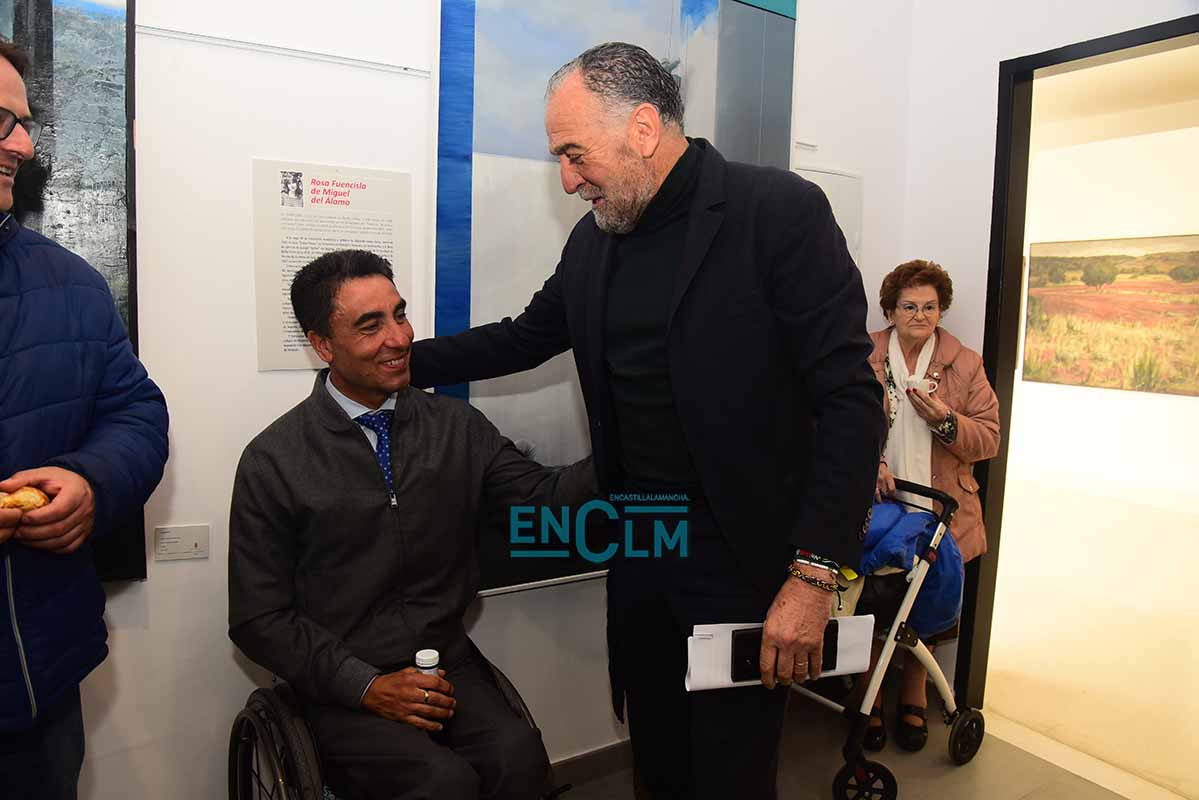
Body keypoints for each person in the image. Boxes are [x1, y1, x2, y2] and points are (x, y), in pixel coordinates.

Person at [410, 43, 886, 798]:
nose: (567, 180)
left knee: (730, 772)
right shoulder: (594, 241)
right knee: (658, 756)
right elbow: (524, 337)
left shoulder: (776, 213)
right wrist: (398, 362)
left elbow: (851, 401)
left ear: (640, 128)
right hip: (641, 543)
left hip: (741, 560)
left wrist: (813, 575)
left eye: (574, 154)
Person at [228, 249, 596, 800]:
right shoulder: (274, 460)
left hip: (445, 662)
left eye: (399, 315)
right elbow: (259, 619)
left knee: (519, 759)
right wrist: (366, 685)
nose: (399, 338)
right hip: (340, 679)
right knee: (440, 784)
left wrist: (622, 446)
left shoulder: (456, 427)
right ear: (323, 345)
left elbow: (544, 498)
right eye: (370, 325)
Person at [0, 40, 170, 800]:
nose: (23, 146)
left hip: (40, 681)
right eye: (1, 120)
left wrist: (91, 482)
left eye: (24, 123)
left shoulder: (70, 284)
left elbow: (135, 412)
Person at [863, 258, 999, 751]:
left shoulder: (965, 363)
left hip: (940, 508)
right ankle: (869, 694)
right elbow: (831, 421)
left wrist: (946, 420)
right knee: (871, 601)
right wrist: (870, 461)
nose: (920, 315)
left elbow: (988, 439)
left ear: (941, 311)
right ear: (890, 311)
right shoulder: (864, 354)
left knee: (924, 602)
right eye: (909, 306)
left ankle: (914, 694)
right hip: (880, 502)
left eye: (929, 307)